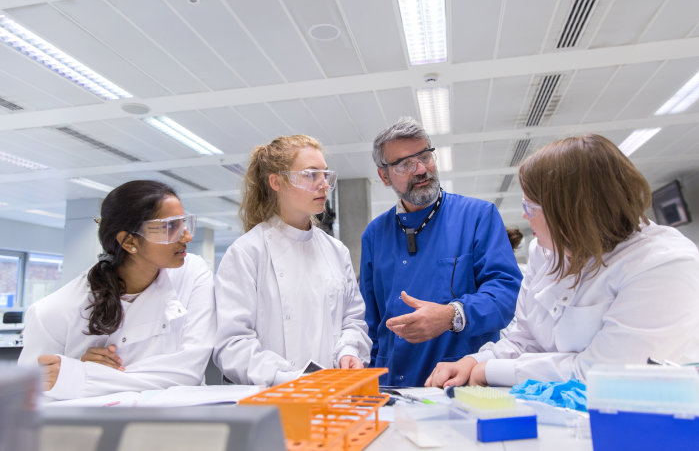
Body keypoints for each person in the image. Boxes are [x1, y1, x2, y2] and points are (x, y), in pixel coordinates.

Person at [425, 134, 699, 388]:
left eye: (530, 207)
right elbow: (524, 339)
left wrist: (490, 371)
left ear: (573, 212)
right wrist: (474, 361)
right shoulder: (546, 252)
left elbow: (602, 374)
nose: (525, 217)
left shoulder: (662, 264)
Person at [360, 117, 522, 386]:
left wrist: (452, 315)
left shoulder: (477, 217)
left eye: (424, 156)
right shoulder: (375, 234)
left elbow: (506, 294)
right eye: (404, 164)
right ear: (383, 175)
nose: (421, 169)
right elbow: (370, 322)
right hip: (393, 385)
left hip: (461, 383)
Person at [18, 180, 215, 400]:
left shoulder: (192, 273)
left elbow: (188, 372)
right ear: (129, 241)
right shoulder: (54, 311)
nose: (187, 237)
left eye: (184, 223)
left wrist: (81, 375)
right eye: (170, 227)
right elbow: (31, 396)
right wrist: (80, 375)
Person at [214, 135, 371, 385]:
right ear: (277, 182)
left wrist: (349, 351)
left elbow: (352, 321)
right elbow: (233, 345)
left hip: (331, 392)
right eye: (311, 174)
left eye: (325, 175)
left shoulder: (336, 251)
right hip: (271, 397)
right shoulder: (247, 252)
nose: (323, 184)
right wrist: (287, 377)